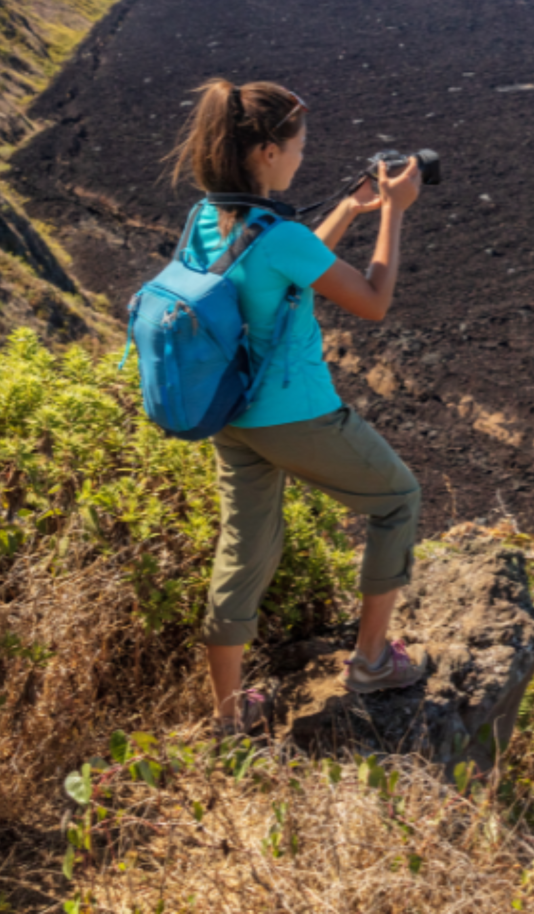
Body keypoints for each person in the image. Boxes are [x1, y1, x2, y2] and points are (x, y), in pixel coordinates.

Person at [165, 77, 428, 736]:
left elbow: (273, 259)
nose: (304, 155)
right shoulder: (278, 235)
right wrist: (395, 211)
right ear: (267, 152)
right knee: (397, 499)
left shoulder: (205, 216)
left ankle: (228, 716)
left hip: (227, 414)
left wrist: (347, 209)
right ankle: (370, 659)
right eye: (299, 145)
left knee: (243, 546)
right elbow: (371, 299)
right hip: (294, 414)